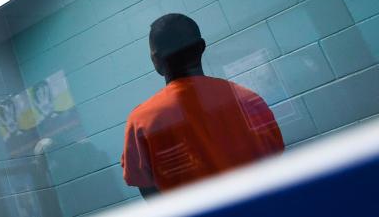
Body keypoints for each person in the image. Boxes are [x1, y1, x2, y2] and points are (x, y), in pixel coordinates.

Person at [122, 13, 284, 197]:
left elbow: (151, 195)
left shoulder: (141, 122)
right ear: (201, 47)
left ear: (156, 59)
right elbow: (275, 163)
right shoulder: (247, 99)